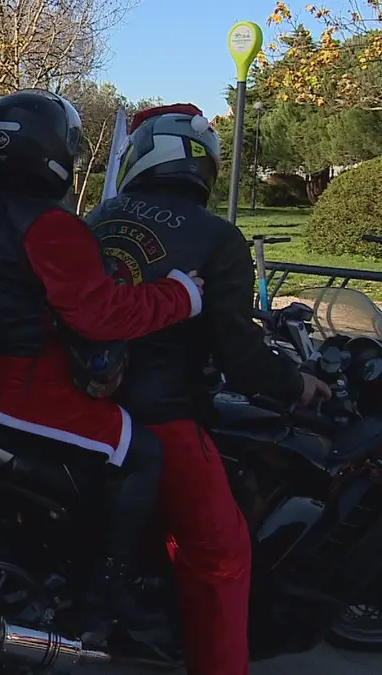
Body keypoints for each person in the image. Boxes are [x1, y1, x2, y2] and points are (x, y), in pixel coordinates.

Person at [0, 90, 204, 641]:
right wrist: (183, 295)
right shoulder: (49, 224)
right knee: (141, 453)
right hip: (23, 388)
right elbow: (102, 314)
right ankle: (104, 600)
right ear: (51, 151)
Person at [84, 103, 330, 675]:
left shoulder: (99, 217)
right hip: (162, 415)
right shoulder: (216, 237)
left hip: (86, 403)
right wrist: (296, 383)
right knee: (223, 555)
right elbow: (241, 358)